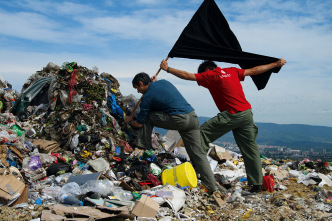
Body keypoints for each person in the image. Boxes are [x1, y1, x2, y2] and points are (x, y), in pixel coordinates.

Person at [160, 58, 287, 192]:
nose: (203, 82)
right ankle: (257, 185)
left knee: (200, 134)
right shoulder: (232, 71)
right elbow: (255, 70)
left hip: (232, 113)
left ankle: (198, 167)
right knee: (250, 149)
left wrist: (167, 68)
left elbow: (187, 76)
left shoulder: (211, 75)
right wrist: (276, 64)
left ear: (206, 70)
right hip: (247, 114)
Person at [124, 72, 220, 193]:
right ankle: (213, 187)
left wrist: (129, 121)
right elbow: (159, 92)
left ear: (141, 83)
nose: (138, 92)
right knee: (198, 153)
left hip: (179, 119)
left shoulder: (147, 96)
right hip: (192, 117)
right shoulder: (163, 82)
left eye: (137, 88)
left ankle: (142, 147)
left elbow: (139, 123)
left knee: (148, 117)